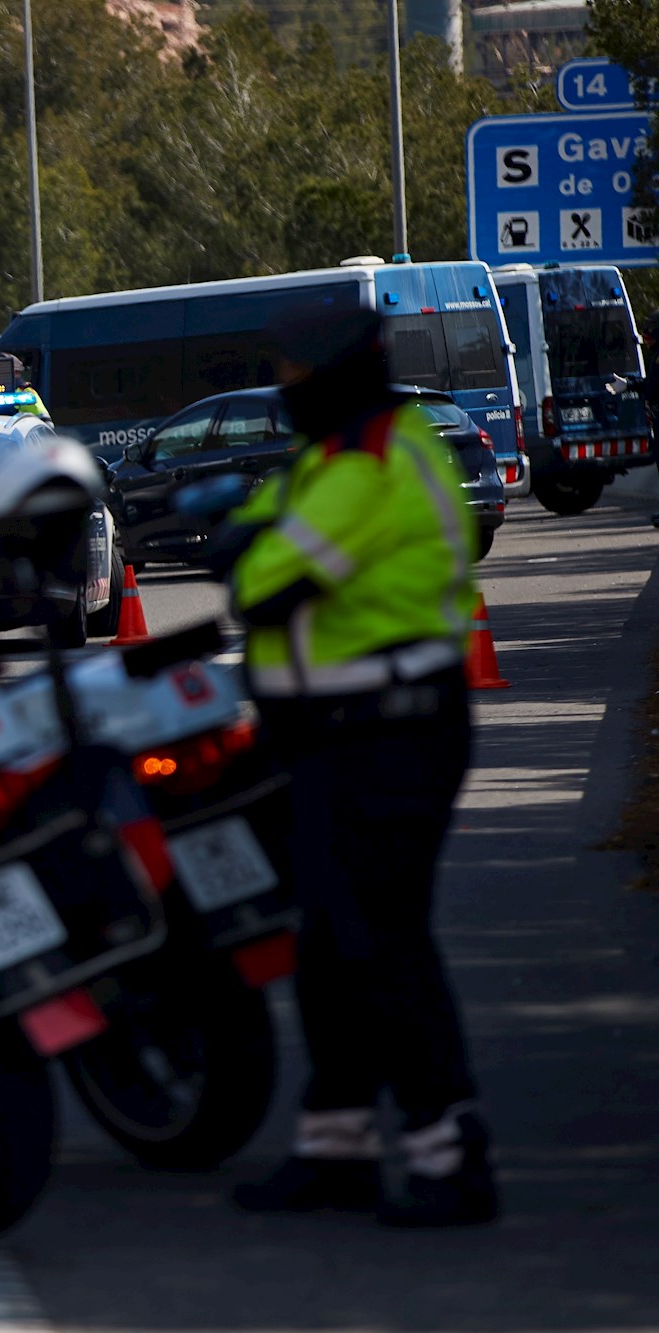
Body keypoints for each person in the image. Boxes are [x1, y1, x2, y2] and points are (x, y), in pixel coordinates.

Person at [214, 305, 497, 1228]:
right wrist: (232, 525)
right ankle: (335, 1149)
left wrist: (239, 545)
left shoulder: (373, 459)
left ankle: (451, 1155)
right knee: (331, 945)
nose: (284, 390)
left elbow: (263, 583)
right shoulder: (340, 449)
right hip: (338, 735)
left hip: (389, 732)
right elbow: (252, 523)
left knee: (382, 942)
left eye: (293, 374)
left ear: (334, 373)